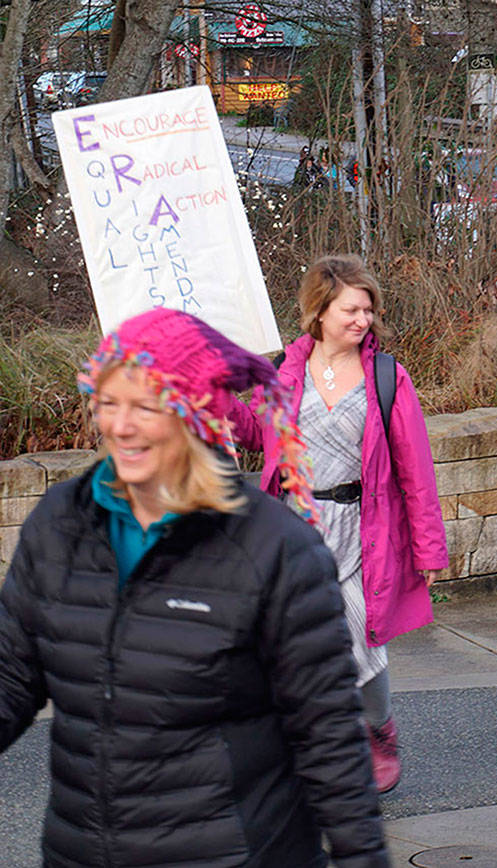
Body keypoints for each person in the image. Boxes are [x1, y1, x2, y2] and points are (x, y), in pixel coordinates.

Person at [0, 308, 388, 867]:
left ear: (195, 414)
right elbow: (11, 674)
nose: (120, 426)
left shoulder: (274, 547)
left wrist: (363, 856)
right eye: (108, 403)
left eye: (145, 406)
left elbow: (327, 735)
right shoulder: (61, 522)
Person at [233, 254, 448, 794]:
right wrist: (210, 397)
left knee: (358, 635)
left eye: (368, 310)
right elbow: (256, 434)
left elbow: (416, 469)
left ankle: (377, 728)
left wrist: (429, 549)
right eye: (351, 309)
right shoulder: (282, 371)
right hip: (294, 528)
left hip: (362, 528)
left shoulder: (387, 376)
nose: (363, 319)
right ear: (320, 310)